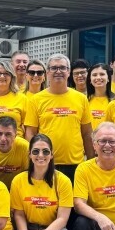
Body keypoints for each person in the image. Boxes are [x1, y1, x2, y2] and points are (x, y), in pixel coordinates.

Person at [24, 54, 93, 183]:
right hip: (45, 162)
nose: (58, 71)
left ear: (69, 72)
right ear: (48, 73)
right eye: (54, 68)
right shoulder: (36, 100)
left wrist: (90, 160)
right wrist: (34, 158)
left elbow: (87, 133)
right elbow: (30, 132)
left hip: (75, 163)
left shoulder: (81, 99)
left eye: (62, 68)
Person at [0, 116, 30, 188]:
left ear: (15, 136)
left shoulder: (25, 147)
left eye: (8, 134)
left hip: (19, 188)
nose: (3, 139)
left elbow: (30, 175)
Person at [86, 63, 114, 131]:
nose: (98, 77)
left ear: (108, 78)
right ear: (90, 79)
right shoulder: (84, 100)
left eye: (102, 74)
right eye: (94, 75)